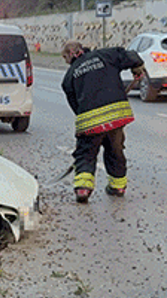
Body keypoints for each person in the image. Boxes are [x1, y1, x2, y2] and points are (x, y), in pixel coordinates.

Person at [61, 40, 146, 203]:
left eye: (65, 58)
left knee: (86, 153)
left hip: (90, 121)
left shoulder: (69, 76)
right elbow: (130, 55)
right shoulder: (106, 55)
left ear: (69, 55)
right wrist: (137, 67)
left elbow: (75, 106)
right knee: (115, 149)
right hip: (116, 115)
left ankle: (83, 189)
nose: (66, 62)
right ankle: (118, 187)